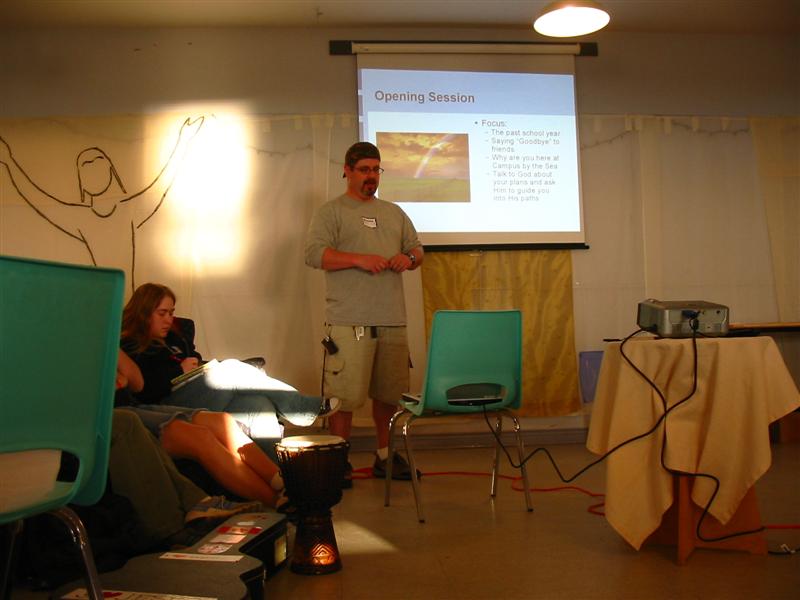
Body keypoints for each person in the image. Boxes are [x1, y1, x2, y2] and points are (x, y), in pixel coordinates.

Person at [304, 141, 424, 487]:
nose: (371, 176)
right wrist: (358, 259)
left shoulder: (394, 212)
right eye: (364, 170)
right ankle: (338, 458)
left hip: (392, 319)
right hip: (349, 320)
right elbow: (314, 254)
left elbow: (417, 251)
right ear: (347, 170)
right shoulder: (331, 212)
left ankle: (385, 456)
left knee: (389, 394)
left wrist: (408, 258)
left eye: (376, 170)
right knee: (344, 397)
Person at [119, 282, 335, 456]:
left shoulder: (174, 337)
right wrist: (179, 371)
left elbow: (192, 357)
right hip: (165, 404)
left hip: (194, 390)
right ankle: (302, 407)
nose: (169, 320)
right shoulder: (130, 346)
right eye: (162, 313)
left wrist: (195, 364)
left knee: (258, 405)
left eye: (171, 313)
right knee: (230, 367)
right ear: (144, 313)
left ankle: (277, 475)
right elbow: (143, 390)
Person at [0, 117, 204, 292]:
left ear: (110, 170)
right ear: (82, 181)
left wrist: (183, 141)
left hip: (129, 306)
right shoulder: (82, 219)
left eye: (98, 161)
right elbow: (40, 200)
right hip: (104, 301)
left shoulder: (129, 210)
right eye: (86, 166)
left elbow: (159, 186)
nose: (93, 169)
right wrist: (9, 161)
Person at [115, 350, 287, 508]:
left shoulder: (114, 342)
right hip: (117, 412)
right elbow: (140, 387)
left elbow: (135, 382)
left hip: (135, 406)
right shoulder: (137, 347)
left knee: (223, 421)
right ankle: (277, 503)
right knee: (202, 433)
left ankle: (282, 482)